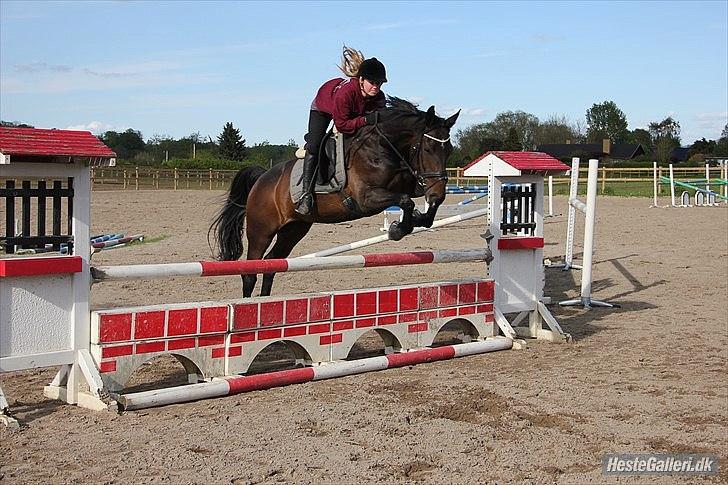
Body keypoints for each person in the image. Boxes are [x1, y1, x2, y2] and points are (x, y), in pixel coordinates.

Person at [295, 46, 387, 215]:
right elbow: (342, 125)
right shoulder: (346, 93)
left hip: (351, 112)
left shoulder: (379, 98)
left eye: (379, 83)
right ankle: (306, 194)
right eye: (372, 82)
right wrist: (365, 120)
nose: (376, 87)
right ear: (361, 80)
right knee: (315, 145)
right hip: (323, 107)